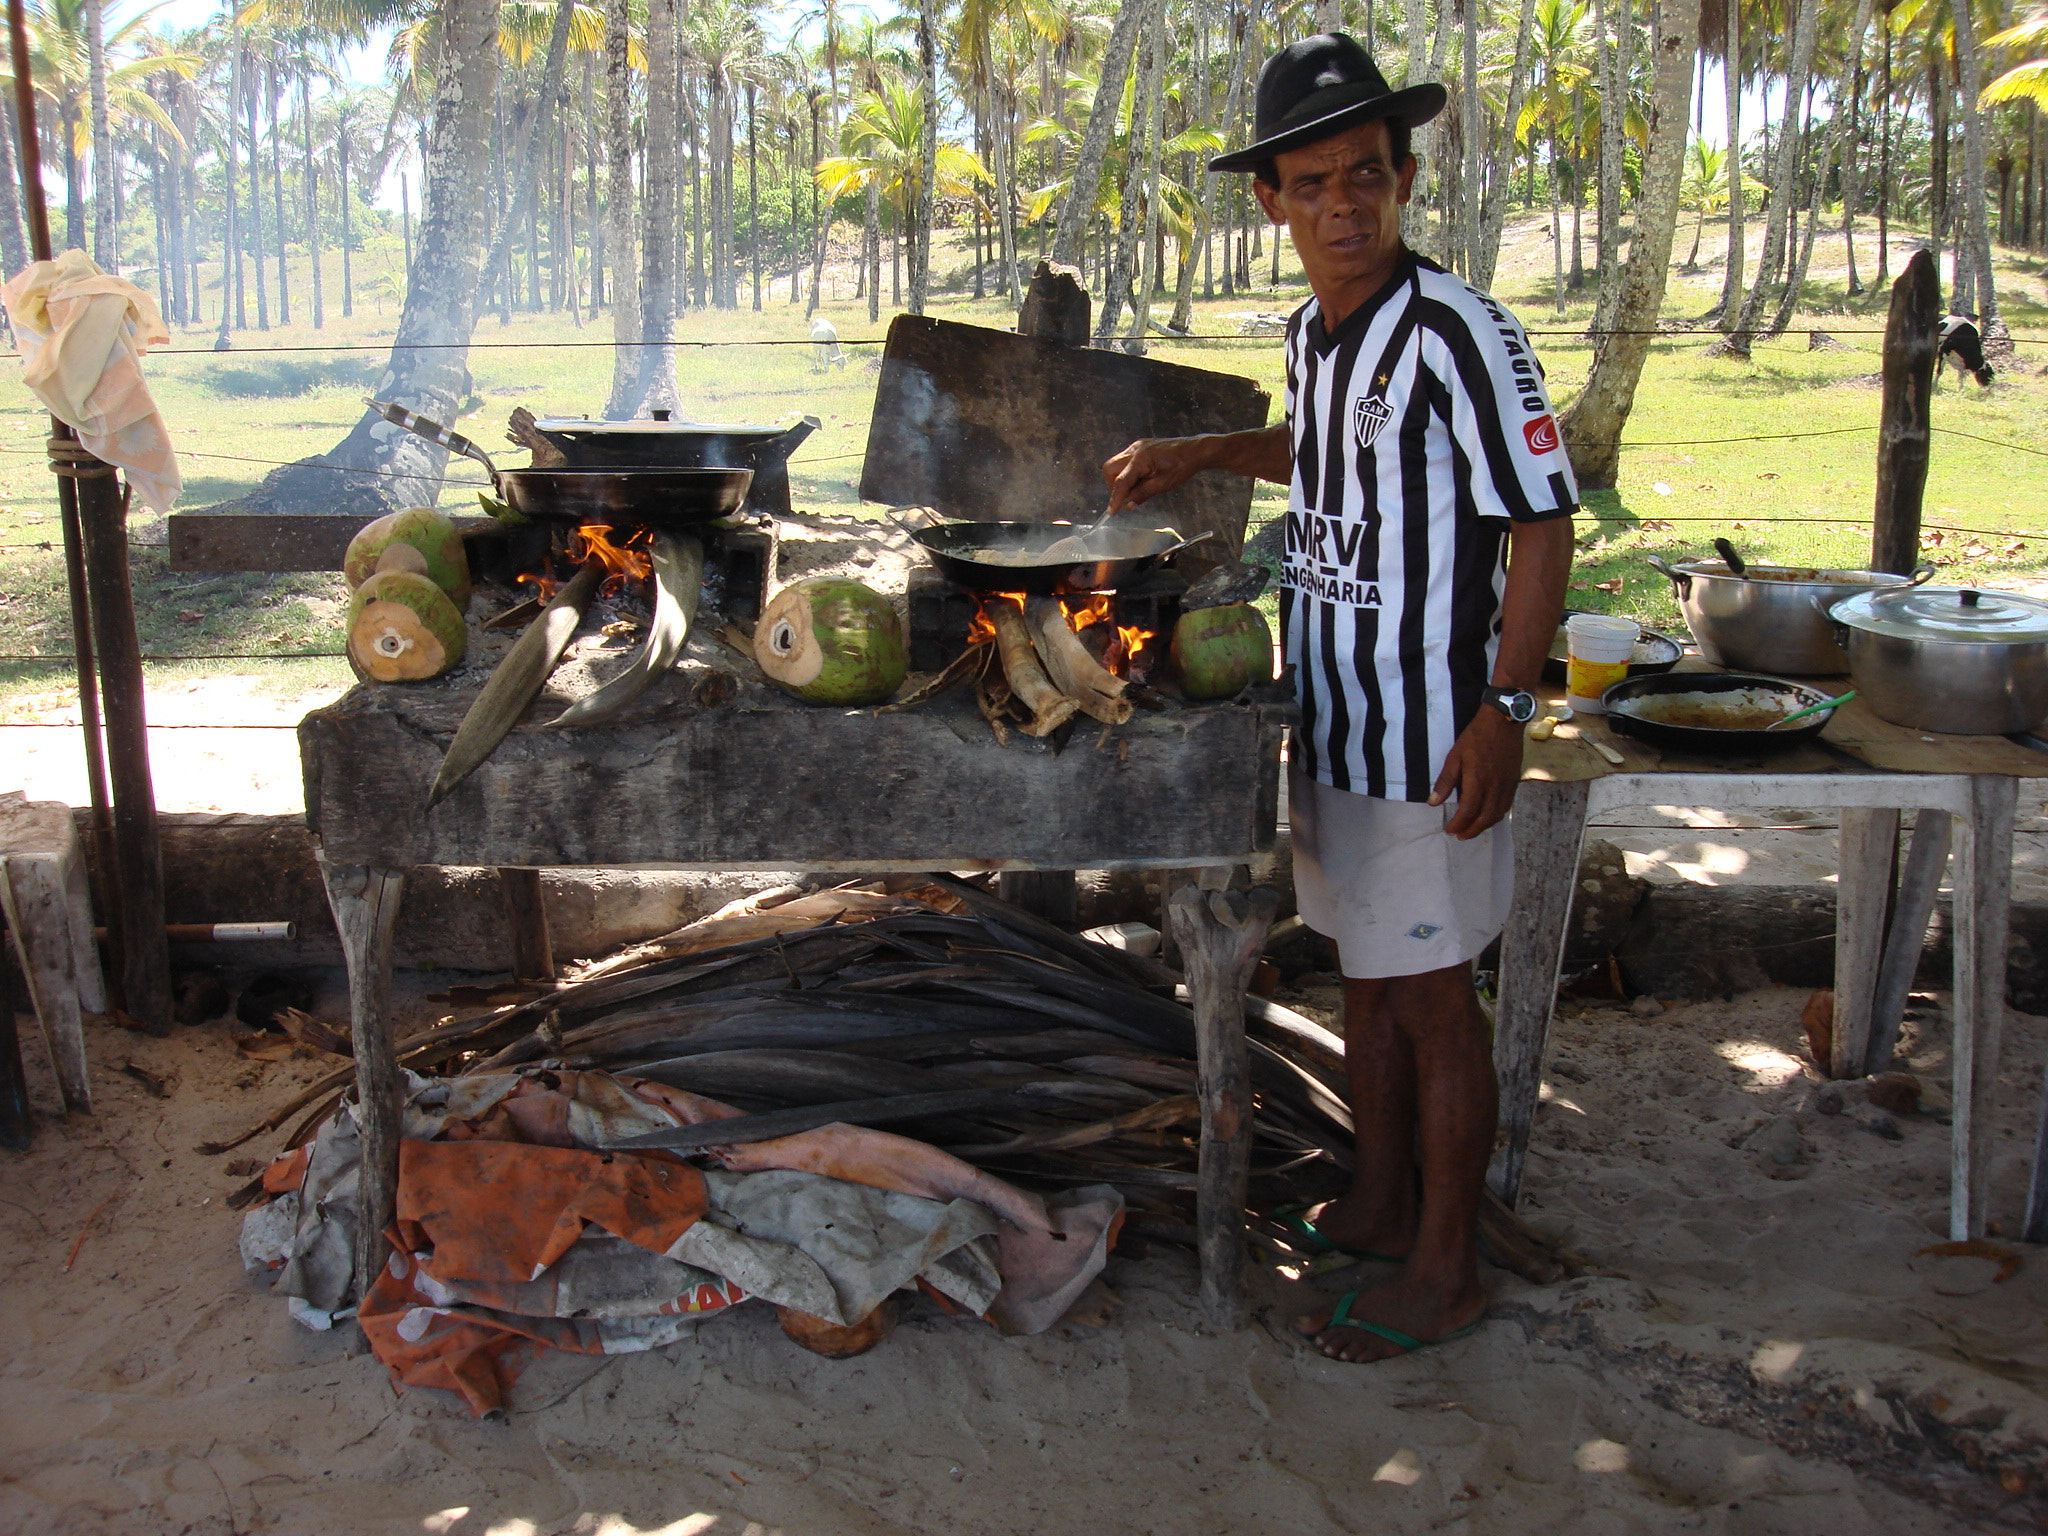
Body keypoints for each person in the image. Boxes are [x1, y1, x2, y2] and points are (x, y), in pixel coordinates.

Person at [1102, 32, 1576, 1364]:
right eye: (1311, 184)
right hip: (1339, 723)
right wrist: (1206, 446)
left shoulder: (1462, 332)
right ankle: (1375, 1200)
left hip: (1435, 734)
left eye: (1364, 175)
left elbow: (1541, 523)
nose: (1343, 206)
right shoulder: (1318, 333)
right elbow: (1326, 448)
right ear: (1272, 202)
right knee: (1369, 985)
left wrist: (1509, 709)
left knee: (1431, 1000)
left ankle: (1446, 1264)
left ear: (1406, 175)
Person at [1937, 312, 1995, 389]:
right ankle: (1936, 382)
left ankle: (1961, 385)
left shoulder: (1971, 346)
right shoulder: (1968, 344)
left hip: (1955, 328)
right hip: (1949, 330)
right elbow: (1944, 350)